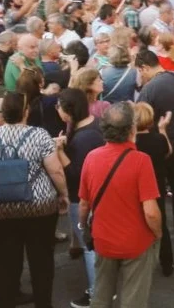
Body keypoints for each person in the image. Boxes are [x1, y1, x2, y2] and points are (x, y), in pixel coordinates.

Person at [0, 93, 69, 308]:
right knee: (41, 259)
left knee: (5, 262)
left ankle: (6, 302)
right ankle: (43, 302)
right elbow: (56, 171)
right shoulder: (40, 136)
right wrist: (63, 194)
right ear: (26, 112)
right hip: (39, 207)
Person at [79, 103, 162, 308]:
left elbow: (83, 204)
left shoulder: (92, 157)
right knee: (133, 299)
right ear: (132, 129)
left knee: (101, 295)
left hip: (104, 239)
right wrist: (158, 233)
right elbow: (150, 212)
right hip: (135, 241)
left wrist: (84, 226)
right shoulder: (141, 161)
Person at [55, 88, 104, 308]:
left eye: (60, 106)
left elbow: (76, 172)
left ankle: (97, 292)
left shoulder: (84, 137)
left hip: (82, 197)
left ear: (68, 110)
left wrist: (60, 152)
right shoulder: (92, 125)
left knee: (89, 246)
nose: (57, 110)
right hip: (95, 195)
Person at [135, 49, 174, 234]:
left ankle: (161, 228)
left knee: (159, 188)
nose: (140, 76)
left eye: (139, 71)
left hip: (161, 146)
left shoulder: (149, 89)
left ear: (144, 67)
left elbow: (141, 119)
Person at [133, 102, 174, 277]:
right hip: (157, 187)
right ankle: (167, 263)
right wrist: (163, 129)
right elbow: (168, 151)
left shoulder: (132, 143)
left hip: (136, 188)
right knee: (161, 224)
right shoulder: (158, 139)